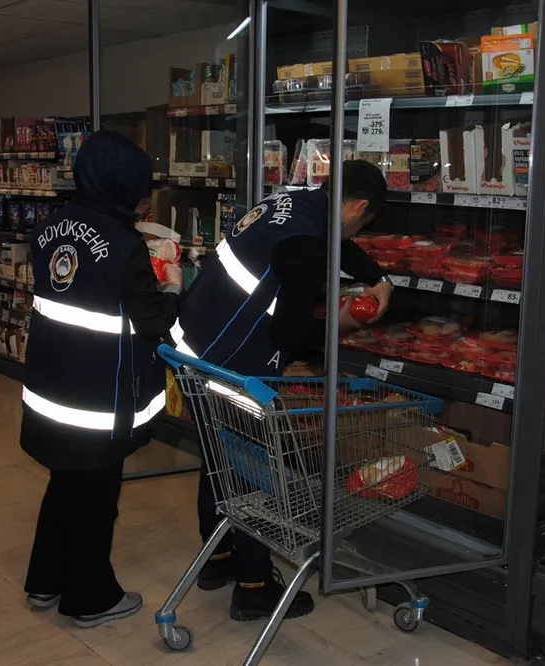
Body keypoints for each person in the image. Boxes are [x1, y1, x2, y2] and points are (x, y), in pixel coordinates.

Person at [172, 159, 392, 621]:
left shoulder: (296, 202)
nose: (355, 234)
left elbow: (334, 243)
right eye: (362, 224)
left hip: (192, 344)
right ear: (360, 207)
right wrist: (344, 326)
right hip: (231, 364)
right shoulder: (308, 246)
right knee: (250, 467)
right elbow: (291, 334)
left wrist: (378, 278)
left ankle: (217, 560)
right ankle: (254, 586)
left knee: (220, 460)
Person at [19, 130, 180, 628]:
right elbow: (150, 318)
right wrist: (173, 288)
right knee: (96, 499)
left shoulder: (49, 227)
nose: (145, 195)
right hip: (98, 395)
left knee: (63, 485)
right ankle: (90, 597)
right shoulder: (125, 243)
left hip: (53, 385)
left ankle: (44, 580)